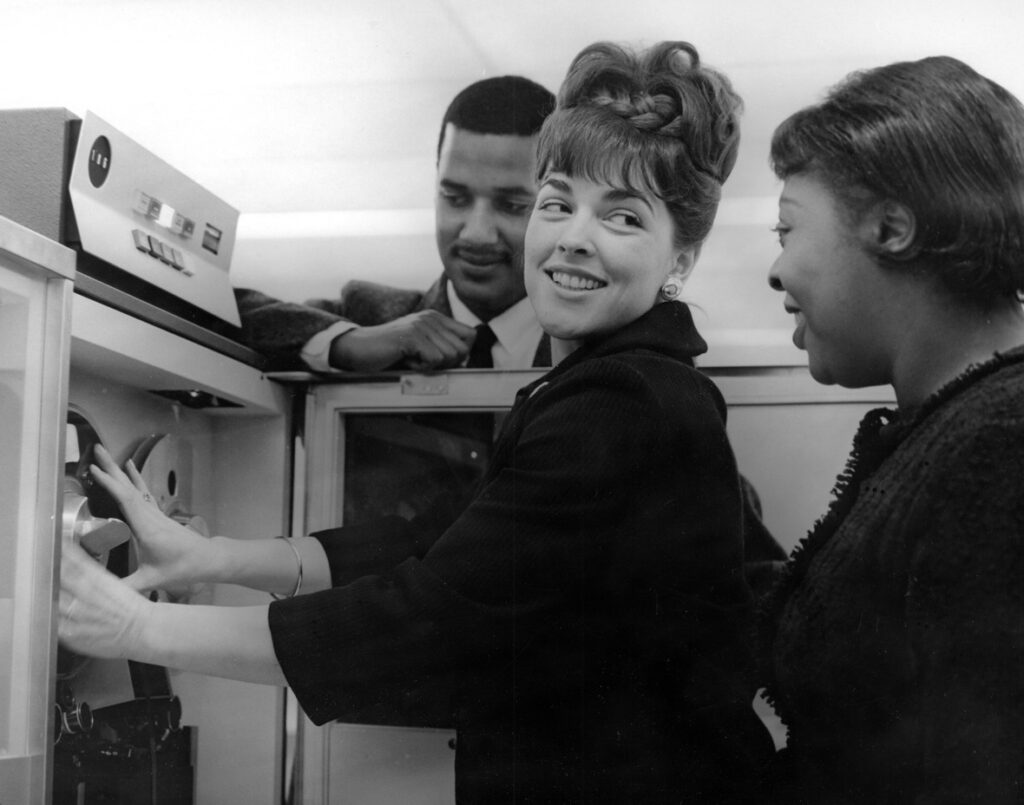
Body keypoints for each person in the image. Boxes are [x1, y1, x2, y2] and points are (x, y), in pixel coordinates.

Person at [60, 40, 776, 802]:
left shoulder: (625, 401)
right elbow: (440, 537)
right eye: (558, 202)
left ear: (682, 257)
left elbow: (434, 612)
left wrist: (138, 628)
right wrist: (220, 557)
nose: (572, 236)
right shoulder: (612, 383)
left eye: (622, 216)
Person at [759, 55, 1024, 804]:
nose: (776, 272)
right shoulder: (959, 427)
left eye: (788, 228)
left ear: (891, 227)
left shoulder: (1000, 440)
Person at [235, 75, 555, 372]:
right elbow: (215, 311)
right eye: (455, 198)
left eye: (512, 206)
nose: (476, 234)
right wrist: (346, 343)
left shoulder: (593, 347)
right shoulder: (367, 316)